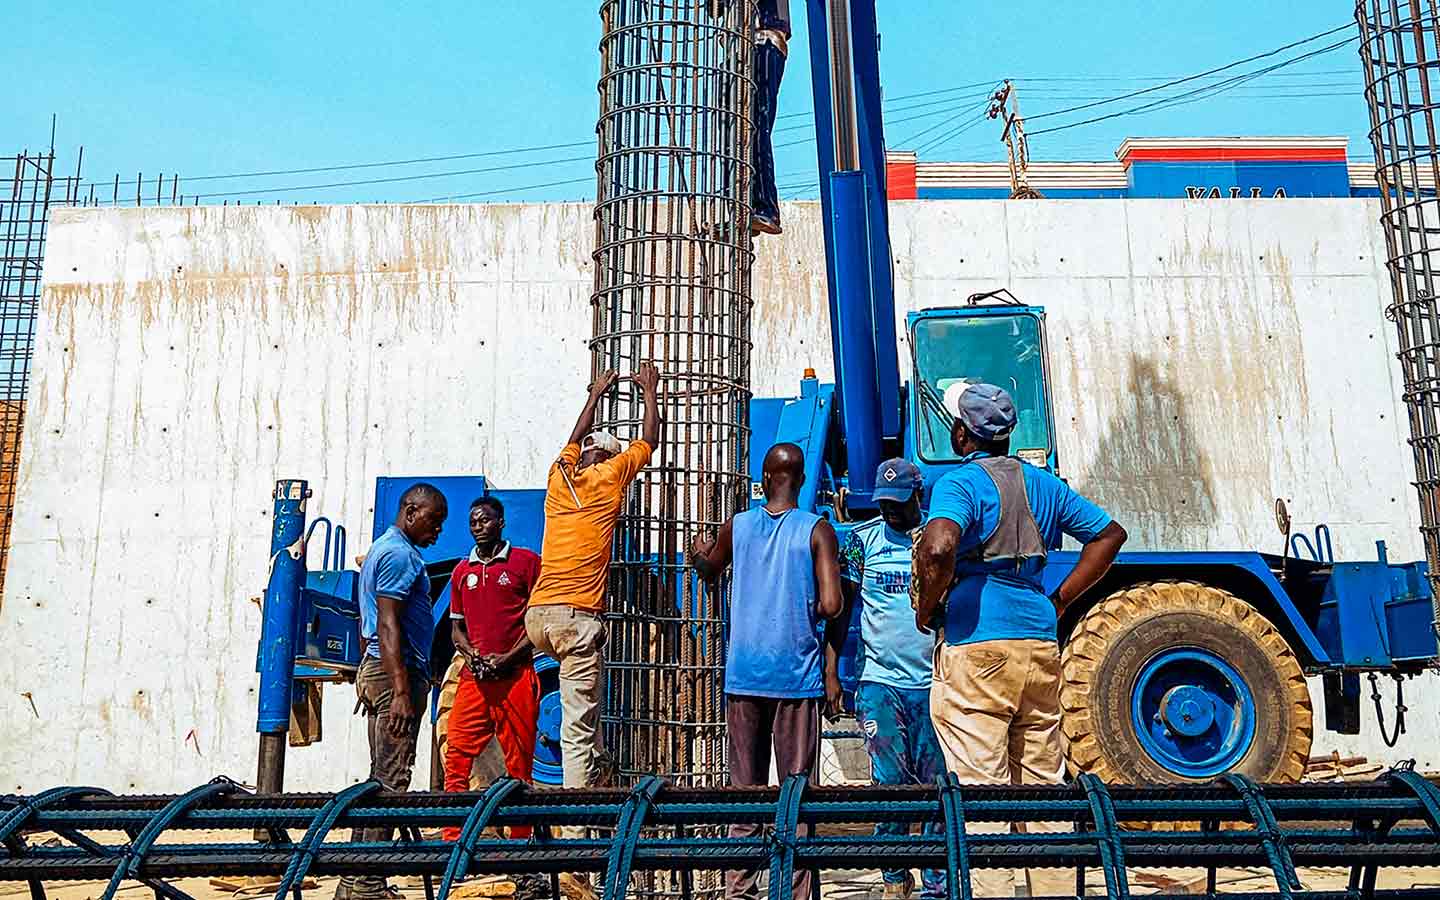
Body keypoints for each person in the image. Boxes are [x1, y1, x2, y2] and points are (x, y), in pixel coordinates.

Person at [911, 384, 1127, 899]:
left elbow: (939, 548)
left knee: (982, 791)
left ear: (962, 432)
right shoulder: (1045, 485)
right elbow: (1109, 535)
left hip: (977, 644)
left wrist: (926, 608)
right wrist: (1059, 601)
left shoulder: (959, 484)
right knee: (1044, 785)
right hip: (1038, 643)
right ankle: (1053, 889)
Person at [690, 442, 844, 900]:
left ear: (763, 478)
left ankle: (739, 888)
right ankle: (795, 891)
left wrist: (699, 551)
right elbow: (833, 604)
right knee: (796, 794)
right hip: (795, 675)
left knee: (744, 790)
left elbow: (708, 568)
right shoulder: (817, 530)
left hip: (744, 674)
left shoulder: (736, 526)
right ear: (799, 479)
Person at [525, 362, 659, 790]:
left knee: (585, 712)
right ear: (611, 457)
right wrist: (649, 390)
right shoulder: (611, 477)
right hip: (575, 618)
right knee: (577, 731)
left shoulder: (559, 475)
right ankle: (577, 828)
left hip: (538, 617)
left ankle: (598, 772)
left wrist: (596, 393)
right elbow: (649, 440)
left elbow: (572, 438)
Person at [824, 458, 944, 900]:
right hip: (879, 682)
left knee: (936, 785)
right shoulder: (862, 541)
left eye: (898, 502)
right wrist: (832, 669)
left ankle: (937, 882)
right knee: (889, 782)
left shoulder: (938, 536)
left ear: (918, 495)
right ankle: (894, 876)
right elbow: (842, 610)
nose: (890, 510)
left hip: (934, 683)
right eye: (884, 503)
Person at [336, 483, 448, 900]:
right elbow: (388, 624)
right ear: (411, 511)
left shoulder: (386, 550)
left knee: (378, 780)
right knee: (391, 782)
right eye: (434, 521)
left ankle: (353, 881)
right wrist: (401, 690)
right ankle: (366, 884)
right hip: (394, 677)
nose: (437, 532)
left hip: (383, 672)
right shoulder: (400, 555)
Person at [442, 496, 542, 841]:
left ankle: (520, 841)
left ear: (500, 523)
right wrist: (470, 655)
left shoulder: (527, 563)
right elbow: (456, 629)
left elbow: (538, 624)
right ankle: (452, 837)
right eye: (472, 522)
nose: (477, 527)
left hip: (514, 678)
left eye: (484, 521)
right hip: (476, 681)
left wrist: (509, 657)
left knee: (519, 764)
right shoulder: (461, 572)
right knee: (456, 754)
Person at [750, 0, 789, 235]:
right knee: (728, 127)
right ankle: (739, 205)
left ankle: (766, 206)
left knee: (756, 124)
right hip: (739, 46)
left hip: (765, 40)